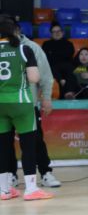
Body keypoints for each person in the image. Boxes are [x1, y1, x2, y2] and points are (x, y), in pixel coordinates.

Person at [0, 28, 59, 189]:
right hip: (21, 103)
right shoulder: (22, 49)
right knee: (7, 143)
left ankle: (45, 172)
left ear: (17, 30)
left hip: (27, 103)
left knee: (35, 141)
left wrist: (46, 97)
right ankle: (13, 177)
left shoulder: (31, 47)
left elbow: (45, 75)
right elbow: (35, 76)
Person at [42, 22, 75, 97]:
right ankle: (61, 80)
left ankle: (68, 92)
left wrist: (53, 54)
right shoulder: (46, 44)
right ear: (51, 34)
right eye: (54, 32)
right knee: (51, 67)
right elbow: (47, 58)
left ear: (62, 32)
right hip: (52, 66)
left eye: (58, 31)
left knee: (70, 68)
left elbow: (68, 56)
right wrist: (57, 56)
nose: (57, 33)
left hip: (66, 67)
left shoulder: (68, 44)